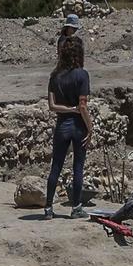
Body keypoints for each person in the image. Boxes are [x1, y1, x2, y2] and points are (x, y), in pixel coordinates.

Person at [45, 33, 91, 220]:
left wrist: (67, 109)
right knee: (78, 167)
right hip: (79, 126)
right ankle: (76, 207)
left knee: (56, 165)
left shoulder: (55, 76)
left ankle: (48, 208)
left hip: (62, 124)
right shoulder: (82, 75)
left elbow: (52, 105)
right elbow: (83, 106)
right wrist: (91, 127)